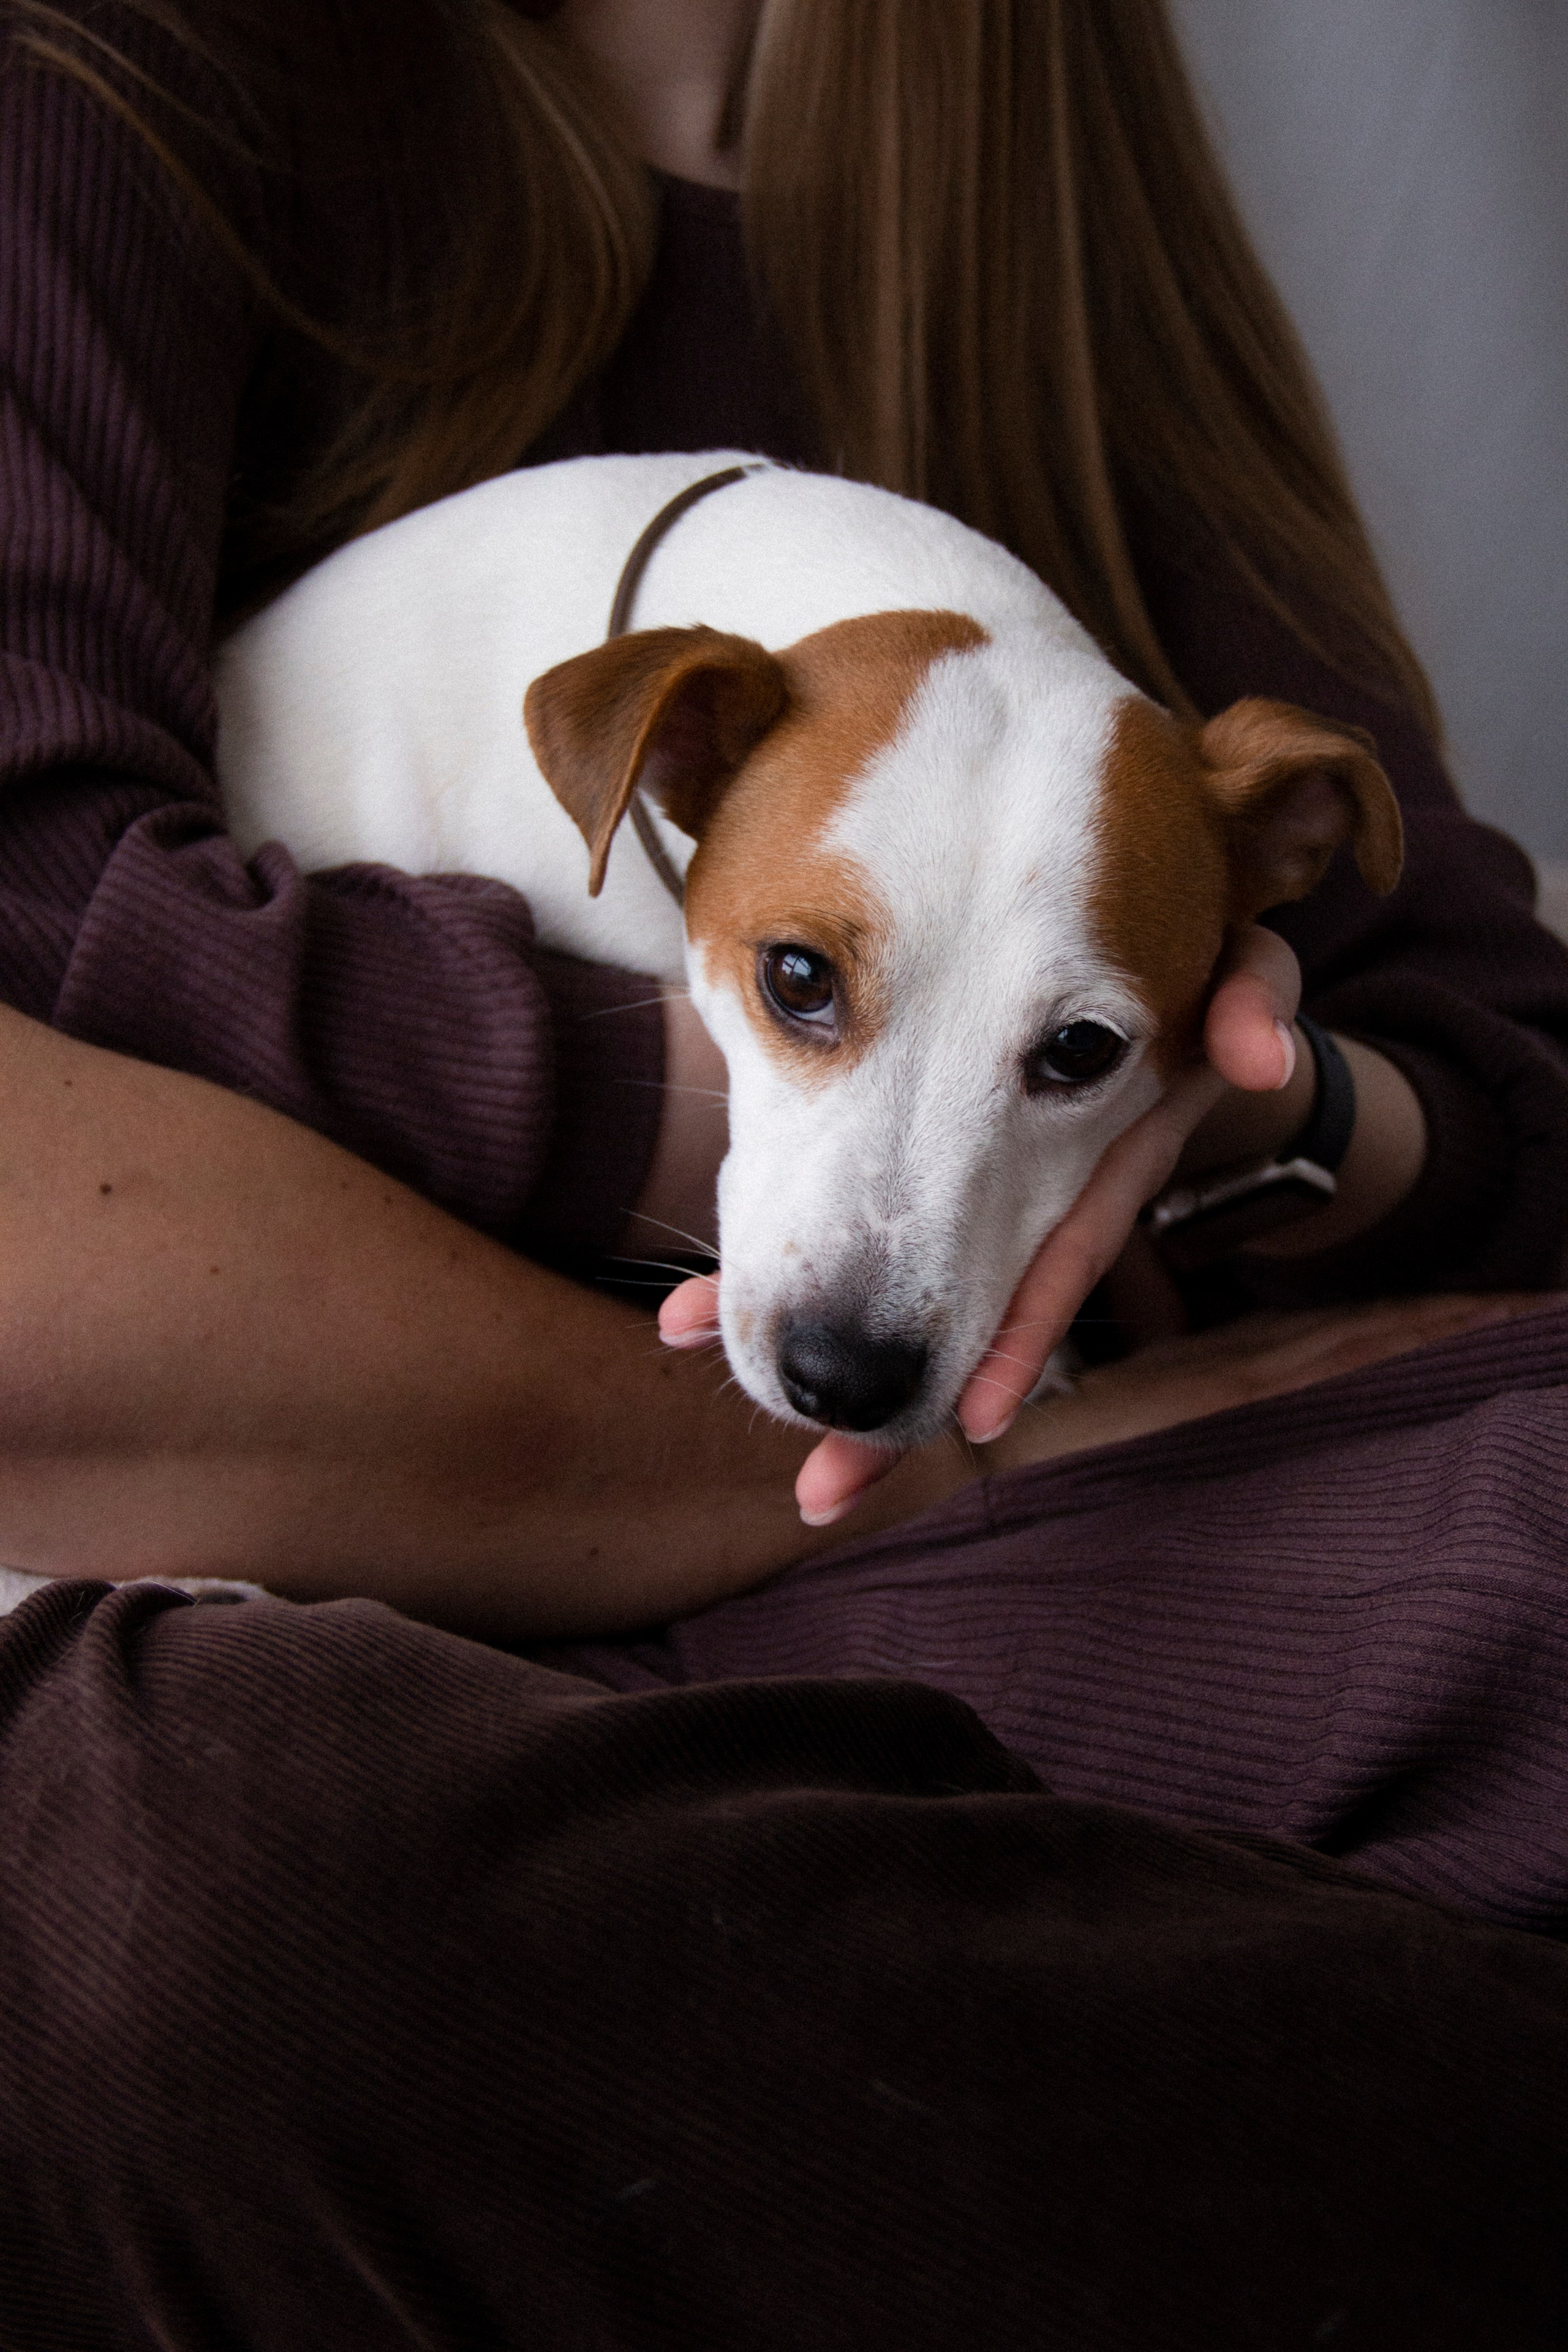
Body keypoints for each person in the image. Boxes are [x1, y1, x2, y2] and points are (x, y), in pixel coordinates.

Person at [3, 1, 1568, 2340]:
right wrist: (699, 1097)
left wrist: (1230, 1104)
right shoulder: (126, 71)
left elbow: (1511, 1093)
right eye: (812, 981)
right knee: (244, 1898)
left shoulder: (1053, 215)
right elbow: (44, 891)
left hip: (971, 1534)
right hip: (302, 1540)